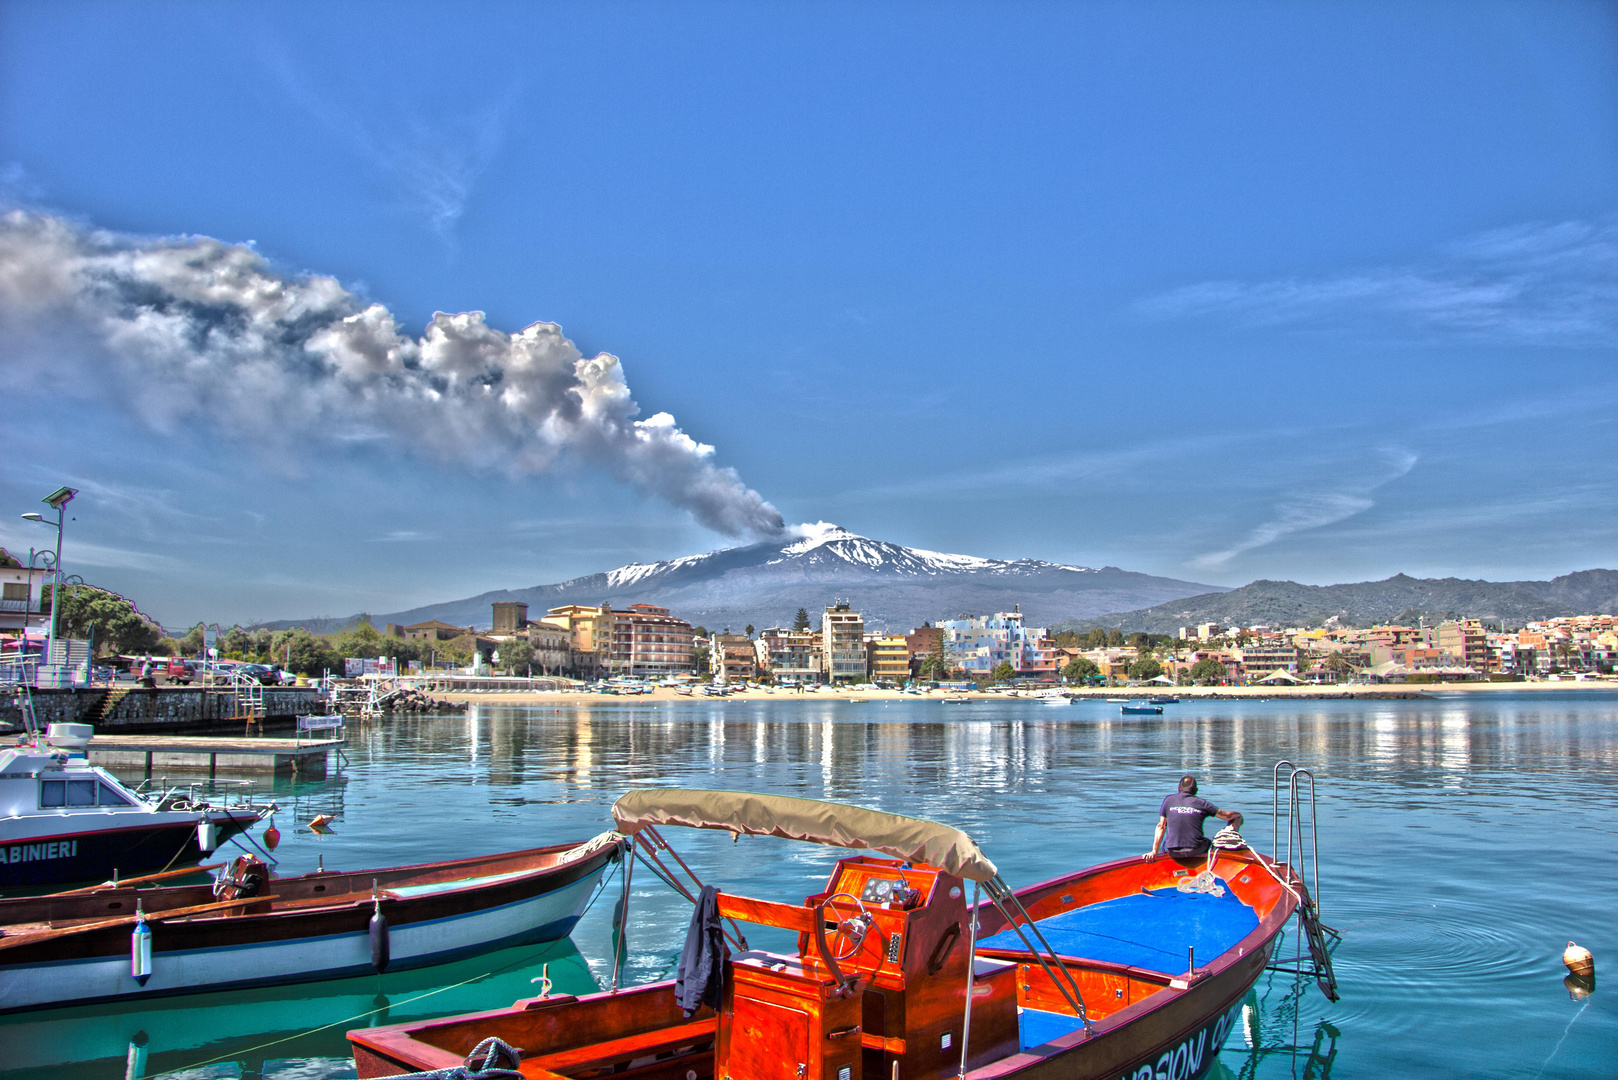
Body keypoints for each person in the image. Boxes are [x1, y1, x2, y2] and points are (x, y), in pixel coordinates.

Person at [1147, 775, 1242, 858]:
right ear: (1195, 791)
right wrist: (1238, 816)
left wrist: (1154, 851)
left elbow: (1161, 826)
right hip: (1195, 849)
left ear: (1179, 788)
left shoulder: (1168, 800)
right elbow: (1226, 816)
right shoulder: (1202, 804)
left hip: (1173, 851)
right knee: (1209, 843)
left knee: (1166, 843)